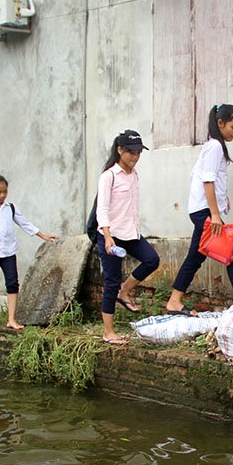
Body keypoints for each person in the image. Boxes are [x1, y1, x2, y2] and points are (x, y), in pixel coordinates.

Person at [165, 105, 233, 315]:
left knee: (196, 255)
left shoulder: (214, 146)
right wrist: (215, 214)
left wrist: (222, 199)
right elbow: (207, 180)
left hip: (203, 210)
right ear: (220, 123)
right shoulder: (215, 147)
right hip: (205, 212)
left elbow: (210, 178)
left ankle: (174, 300)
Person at [0, 175, 58, 331]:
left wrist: (43, 235)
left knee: (12, 284)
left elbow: (25, 223)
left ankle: (11, 319)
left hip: (9, 253)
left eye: (5, 192)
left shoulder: (10, 208)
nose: (2, 195)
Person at [95, 130, 160, 344]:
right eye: (131, 152)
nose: (135, 157)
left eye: (139, 153)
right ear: (120, 150)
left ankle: (126, 291)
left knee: (152, 259)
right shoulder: (109, 176)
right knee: (111, 281)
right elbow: (102, 210)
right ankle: (108, 332)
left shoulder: (134, 175)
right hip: (111, 235)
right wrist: (107, 236)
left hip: (131, 233)